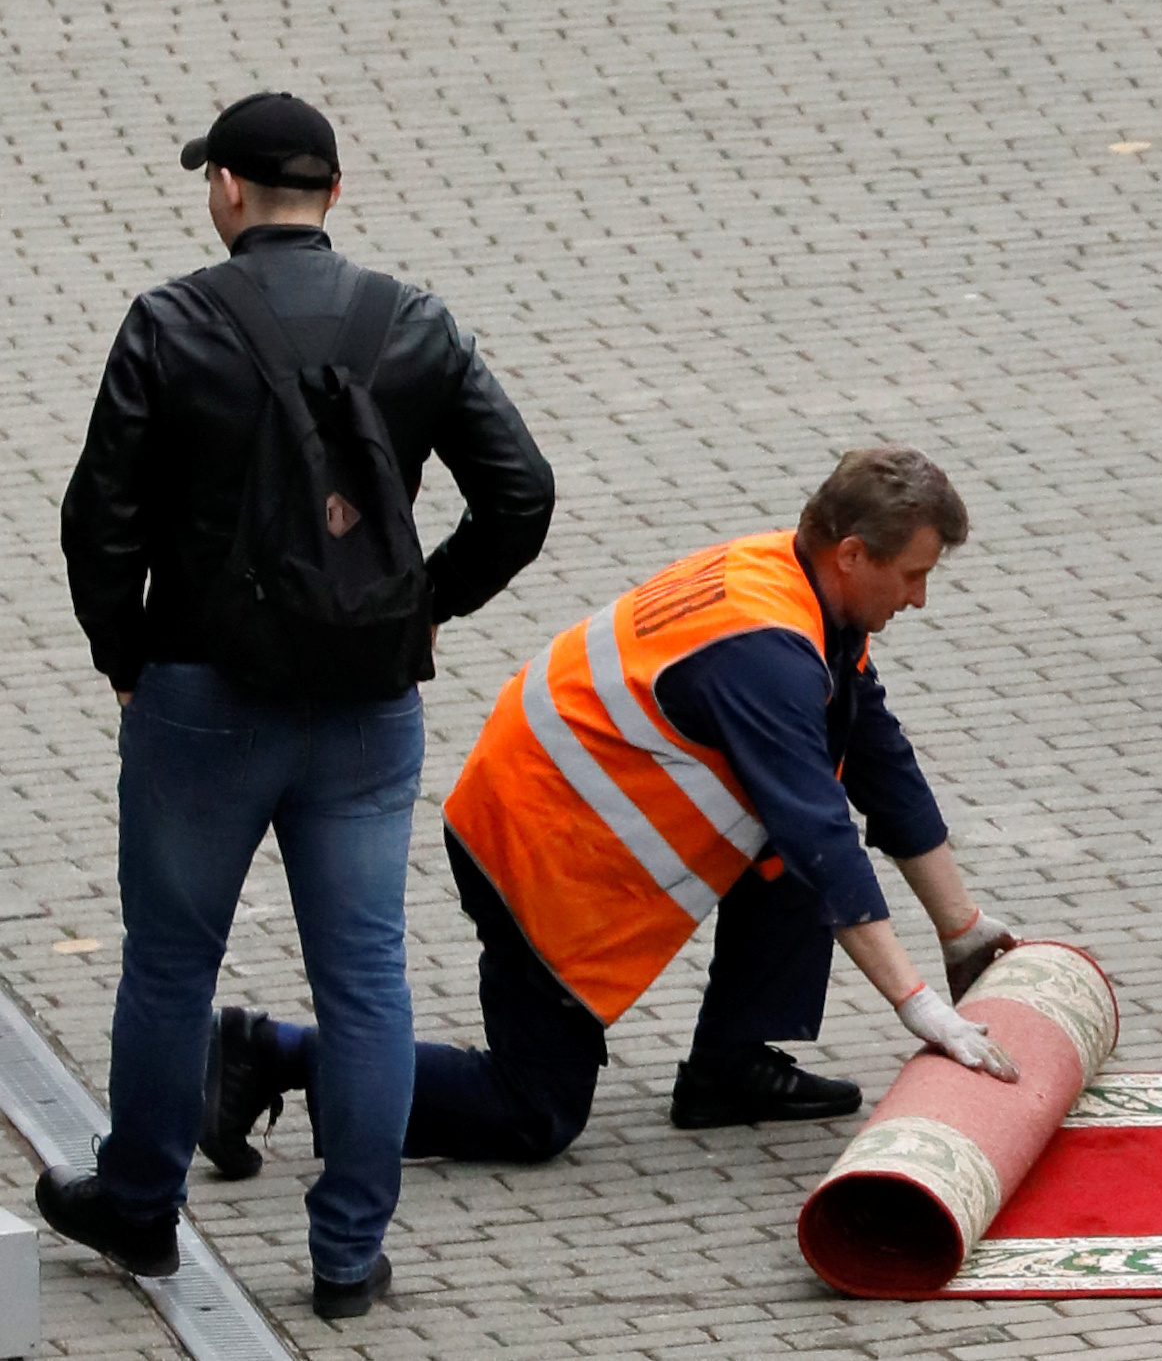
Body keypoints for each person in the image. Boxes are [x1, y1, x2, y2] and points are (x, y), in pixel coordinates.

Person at [201, 448, 1030, 1220]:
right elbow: (821, 838)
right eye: (914, 574)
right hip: (530, 850)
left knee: (812, 813)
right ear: (852, 553)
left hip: (555, 805)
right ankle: (269, 1051)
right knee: (535, 1112)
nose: (918, 597)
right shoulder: (769, 652)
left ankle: (729, 1067)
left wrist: (962, 931)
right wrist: (919, 1006)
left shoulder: (796, 583)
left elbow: (875, 753)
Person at [48, 91, 557, 1320]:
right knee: (367, 976)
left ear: (226, 187)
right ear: (333, 192)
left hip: (199, 696)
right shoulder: (416, 322)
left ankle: (142, 1205)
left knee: (171, 968)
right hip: (366, 709)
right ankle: (345, 1255)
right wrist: (423, 603)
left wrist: (125, 651)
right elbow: (523, 492)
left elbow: (97, 518)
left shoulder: (169, 322)